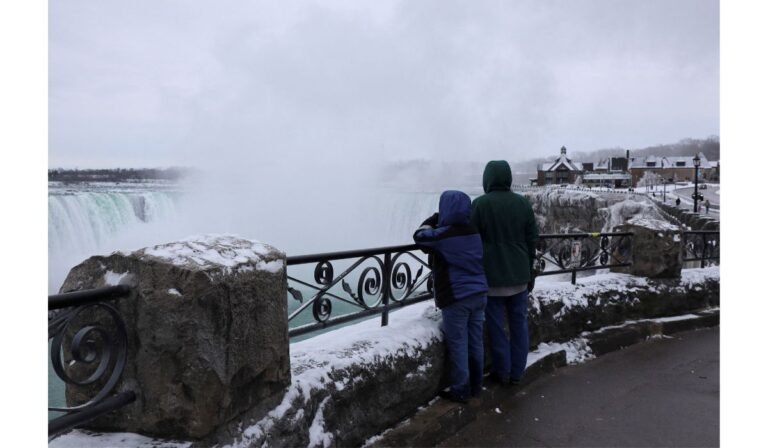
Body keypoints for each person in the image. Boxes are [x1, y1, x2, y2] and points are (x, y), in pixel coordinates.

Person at [414, 190, 488, 403]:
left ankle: (460, 389)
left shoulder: (444, 235)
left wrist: (434, 219)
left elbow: (419, 237)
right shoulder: (473, 231)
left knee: (458, 344)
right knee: (475, 342)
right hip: (479, 293)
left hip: (458, 297)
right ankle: (476, 385)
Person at [471, 160, 539, 386]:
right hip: (519, 277)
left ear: (487, 178)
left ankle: (502, 371)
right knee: (519, 326)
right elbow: (532, 242)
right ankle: (518, 372)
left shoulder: (479, 205)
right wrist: (529, 271)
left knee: (497, 329)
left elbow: (471, 241)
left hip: (491, 280)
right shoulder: (523, 204)